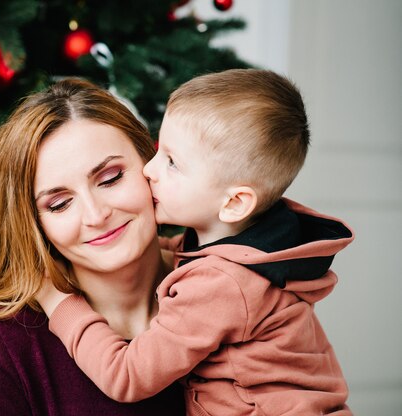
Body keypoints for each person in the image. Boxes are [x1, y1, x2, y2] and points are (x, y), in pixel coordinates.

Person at [37, 69, 355, 415]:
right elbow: (193, 256)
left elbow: (125, 376)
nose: (149, 169)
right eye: (159, 151)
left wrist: (58, 302)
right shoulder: (255, 250)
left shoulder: (220, 286)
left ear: (234, 204)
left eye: (172, 163)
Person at [0, 78, 186, 416]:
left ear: (150, 165)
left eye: (110, 178)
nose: (96, 215)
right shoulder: (6, 339)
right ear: (35, 224)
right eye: (59, 204)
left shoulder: (233, 285)